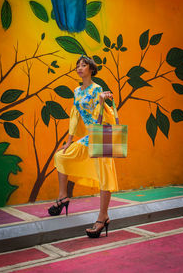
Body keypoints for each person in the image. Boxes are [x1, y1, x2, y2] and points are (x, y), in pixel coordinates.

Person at [48, 55, 118, 238]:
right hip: (88, 138)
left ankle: (103, 217)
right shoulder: (77, 91)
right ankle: (63, 197)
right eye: (78, 65)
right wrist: (70, 140)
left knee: (105, 176)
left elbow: (100, 119)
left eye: (83, 65)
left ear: (91, 69)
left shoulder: (97, 89)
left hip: (102, 136)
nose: (79, 68)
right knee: (61, 156)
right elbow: (75, 116)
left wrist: (102, 101)